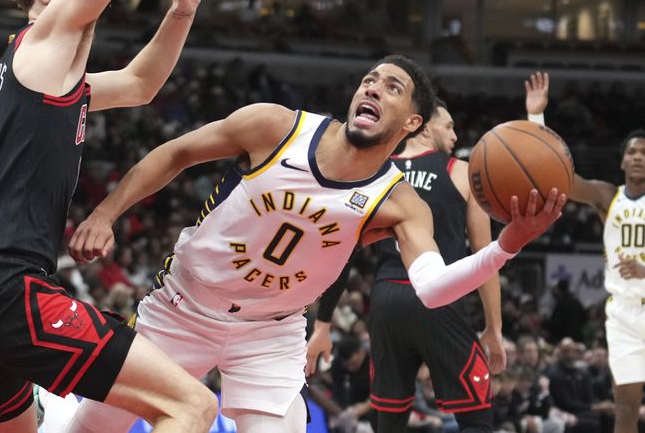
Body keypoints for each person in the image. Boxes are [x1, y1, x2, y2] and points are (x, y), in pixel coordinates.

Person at [60, 55, 566, 433]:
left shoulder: (400, 202)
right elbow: (176, 153)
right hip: (183, 308)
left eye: (393, 87)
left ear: (412, 122)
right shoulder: (276, 126)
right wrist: (105, 213)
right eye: (370, 80)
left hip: (271, 333)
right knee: (93, 428)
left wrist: (507, 245)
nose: (374, 88)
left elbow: (432, 290)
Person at [0, 0, 218, 432]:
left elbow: (139, 85)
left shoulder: (58, 78)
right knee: (192, 407)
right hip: (2, 284)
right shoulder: (44, 41)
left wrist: (182, 9)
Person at [310, 98, 505, 432]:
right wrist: (494, 328)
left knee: (388, 419)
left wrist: (323, 322)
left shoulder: (377, 171)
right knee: (476, 416)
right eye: (449, 126)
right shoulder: (461, 171)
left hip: (387, 299)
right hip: (441, 296)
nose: (455, 135)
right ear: (426, 127)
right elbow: (483, 256)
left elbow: (342, 252)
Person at [526, 71, 644, 433]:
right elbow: (558, 177)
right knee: (625, 408)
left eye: (644, 153)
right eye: (632, 152)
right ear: (622, 161)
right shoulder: (609, 197)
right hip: (624, 313)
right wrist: (535, 119)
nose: (639, 157)